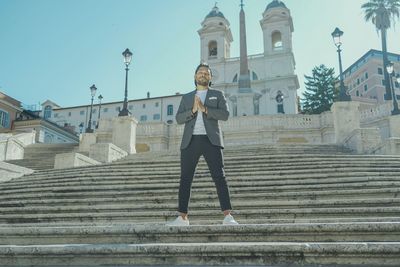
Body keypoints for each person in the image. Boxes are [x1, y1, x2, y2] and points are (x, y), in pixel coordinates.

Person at [167, 63, 238, 226]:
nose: (203, 74)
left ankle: (228, 216)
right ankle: (182, 217)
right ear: (195, 76)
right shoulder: (186, 97)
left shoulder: (218, 94)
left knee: (220, 177)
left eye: (206, 73)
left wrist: (205, 109)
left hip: (211, 140)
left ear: (210, 77)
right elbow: (178, 119)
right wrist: (192, 110)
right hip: (190, 140)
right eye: (200, 72)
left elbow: (225, 115)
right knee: (185, 178)